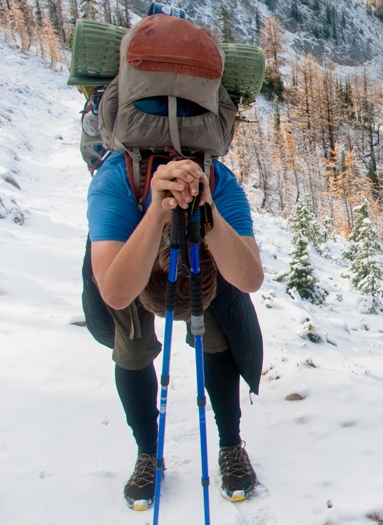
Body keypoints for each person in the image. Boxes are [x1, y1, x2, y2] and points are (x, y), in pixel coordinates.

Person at [84, 151, 265, 509]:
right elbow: (117, 294)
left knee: (218, 335)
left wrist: (208, 212)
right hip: (131, 238)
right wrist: (155, 211)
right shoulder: (114, 185)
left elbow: (249, 278)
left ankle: (230, 443)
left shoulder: (218, 184)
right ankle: (148, 454)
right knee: (133, 345)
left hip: (204, 238)